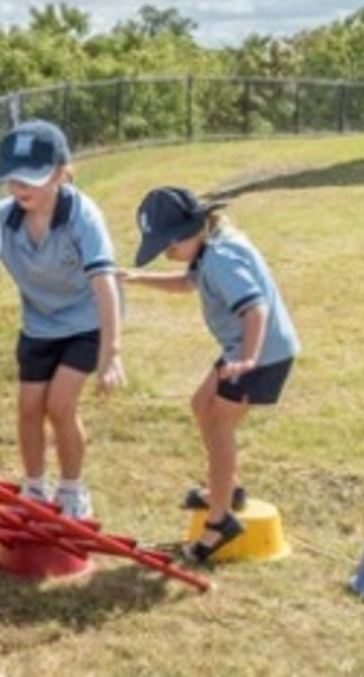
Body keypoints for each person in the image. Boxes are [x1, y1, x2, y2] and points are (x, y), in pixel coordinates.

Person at [122, 186, 298, 563]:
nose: (166, 253)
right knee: (202, 404)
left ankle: (220, 522)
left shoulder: (220, 258)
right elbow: (188, 283)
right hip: (244, 349)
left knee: (220, 427)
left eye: (168, 245)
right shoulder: (207, 250)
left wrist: (248, 360)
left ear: (194, 227)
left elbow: (255, 309)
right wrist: (138, 278)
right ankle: (227, 489)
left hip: (260, 353)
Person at [0, 120, 124, 519]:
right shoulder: (1, 217)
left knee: (60, 405)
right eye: (13, 178)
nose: (20, 188)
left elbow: (104, 283)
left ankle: (72, 490)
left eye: (32, 178)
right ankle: (33, 488)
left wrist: (112, 351)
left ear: (62, 171)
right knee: (29, 407)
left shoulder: (83, 216)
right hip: (39, 325)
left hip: (87, 323)